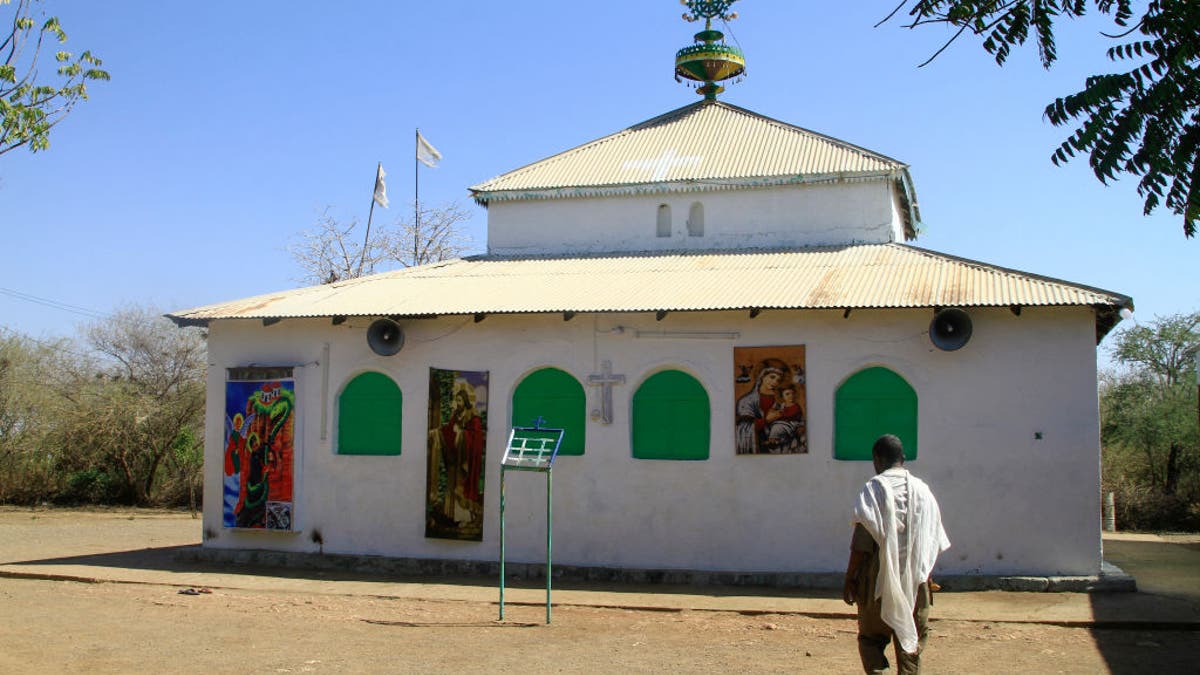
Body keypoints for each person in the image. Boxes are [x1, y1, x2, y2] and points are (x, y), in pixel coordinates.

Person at [843, 434, 950, 675]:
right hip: (916, 580)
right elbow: (933, 541)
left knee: (871, 640)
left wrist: (850, 578)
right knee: (910, 644)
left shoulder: (873, 489)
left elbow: (861, 541)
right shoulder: (924, 492)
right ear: (902, 458)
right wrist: (927, 577)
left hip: (876, 578)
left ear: (877, 459)